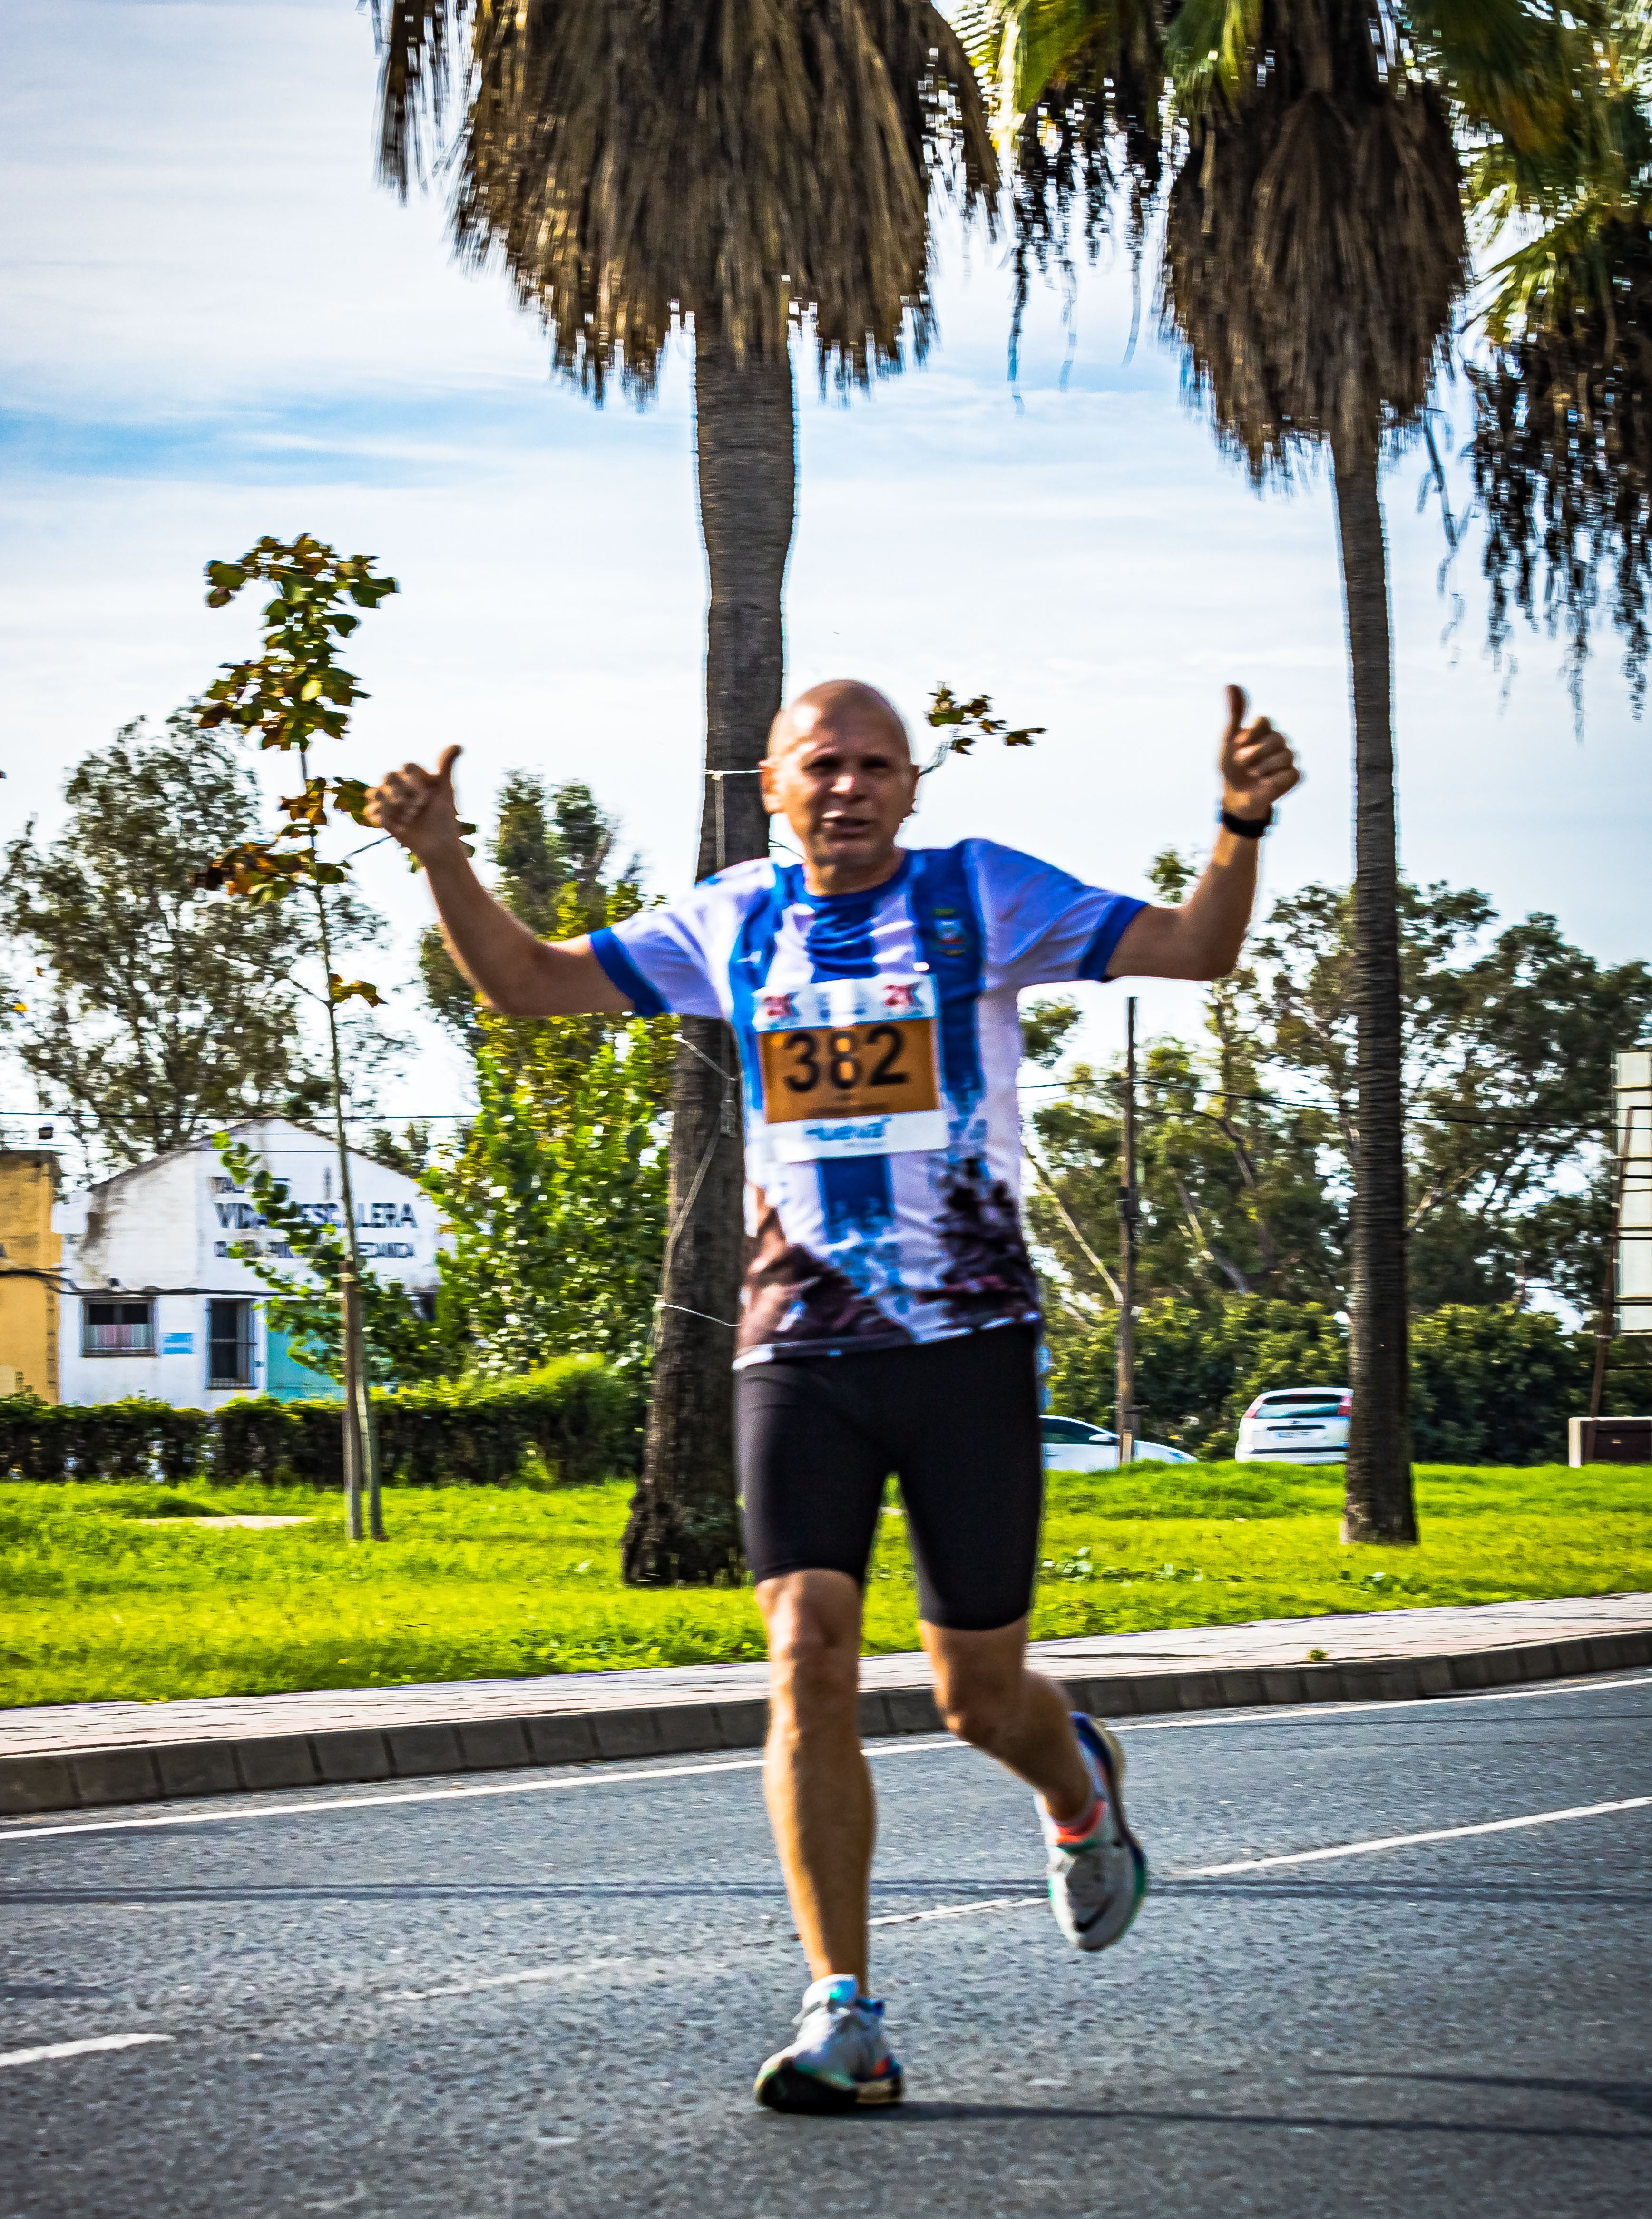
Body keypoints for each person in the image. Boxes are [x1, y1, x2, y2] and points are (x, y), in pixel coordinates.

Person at [368, 681, 1300, 2111]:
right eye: (823, 765)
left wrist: (1239, 823)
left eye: (876, 765)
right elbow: (531, 984)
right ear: (773, 787)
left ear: (912, 786)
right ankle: (844, 2012)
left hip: (967, 1346)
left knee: (975, 1698)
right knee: (806, 1648)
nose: (849, 787)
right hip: (797, 1347)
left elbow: (1199, 948)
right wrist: (441, 855)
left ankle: (1075, 1784)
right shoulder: (732, 918)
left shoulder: (983, 895)